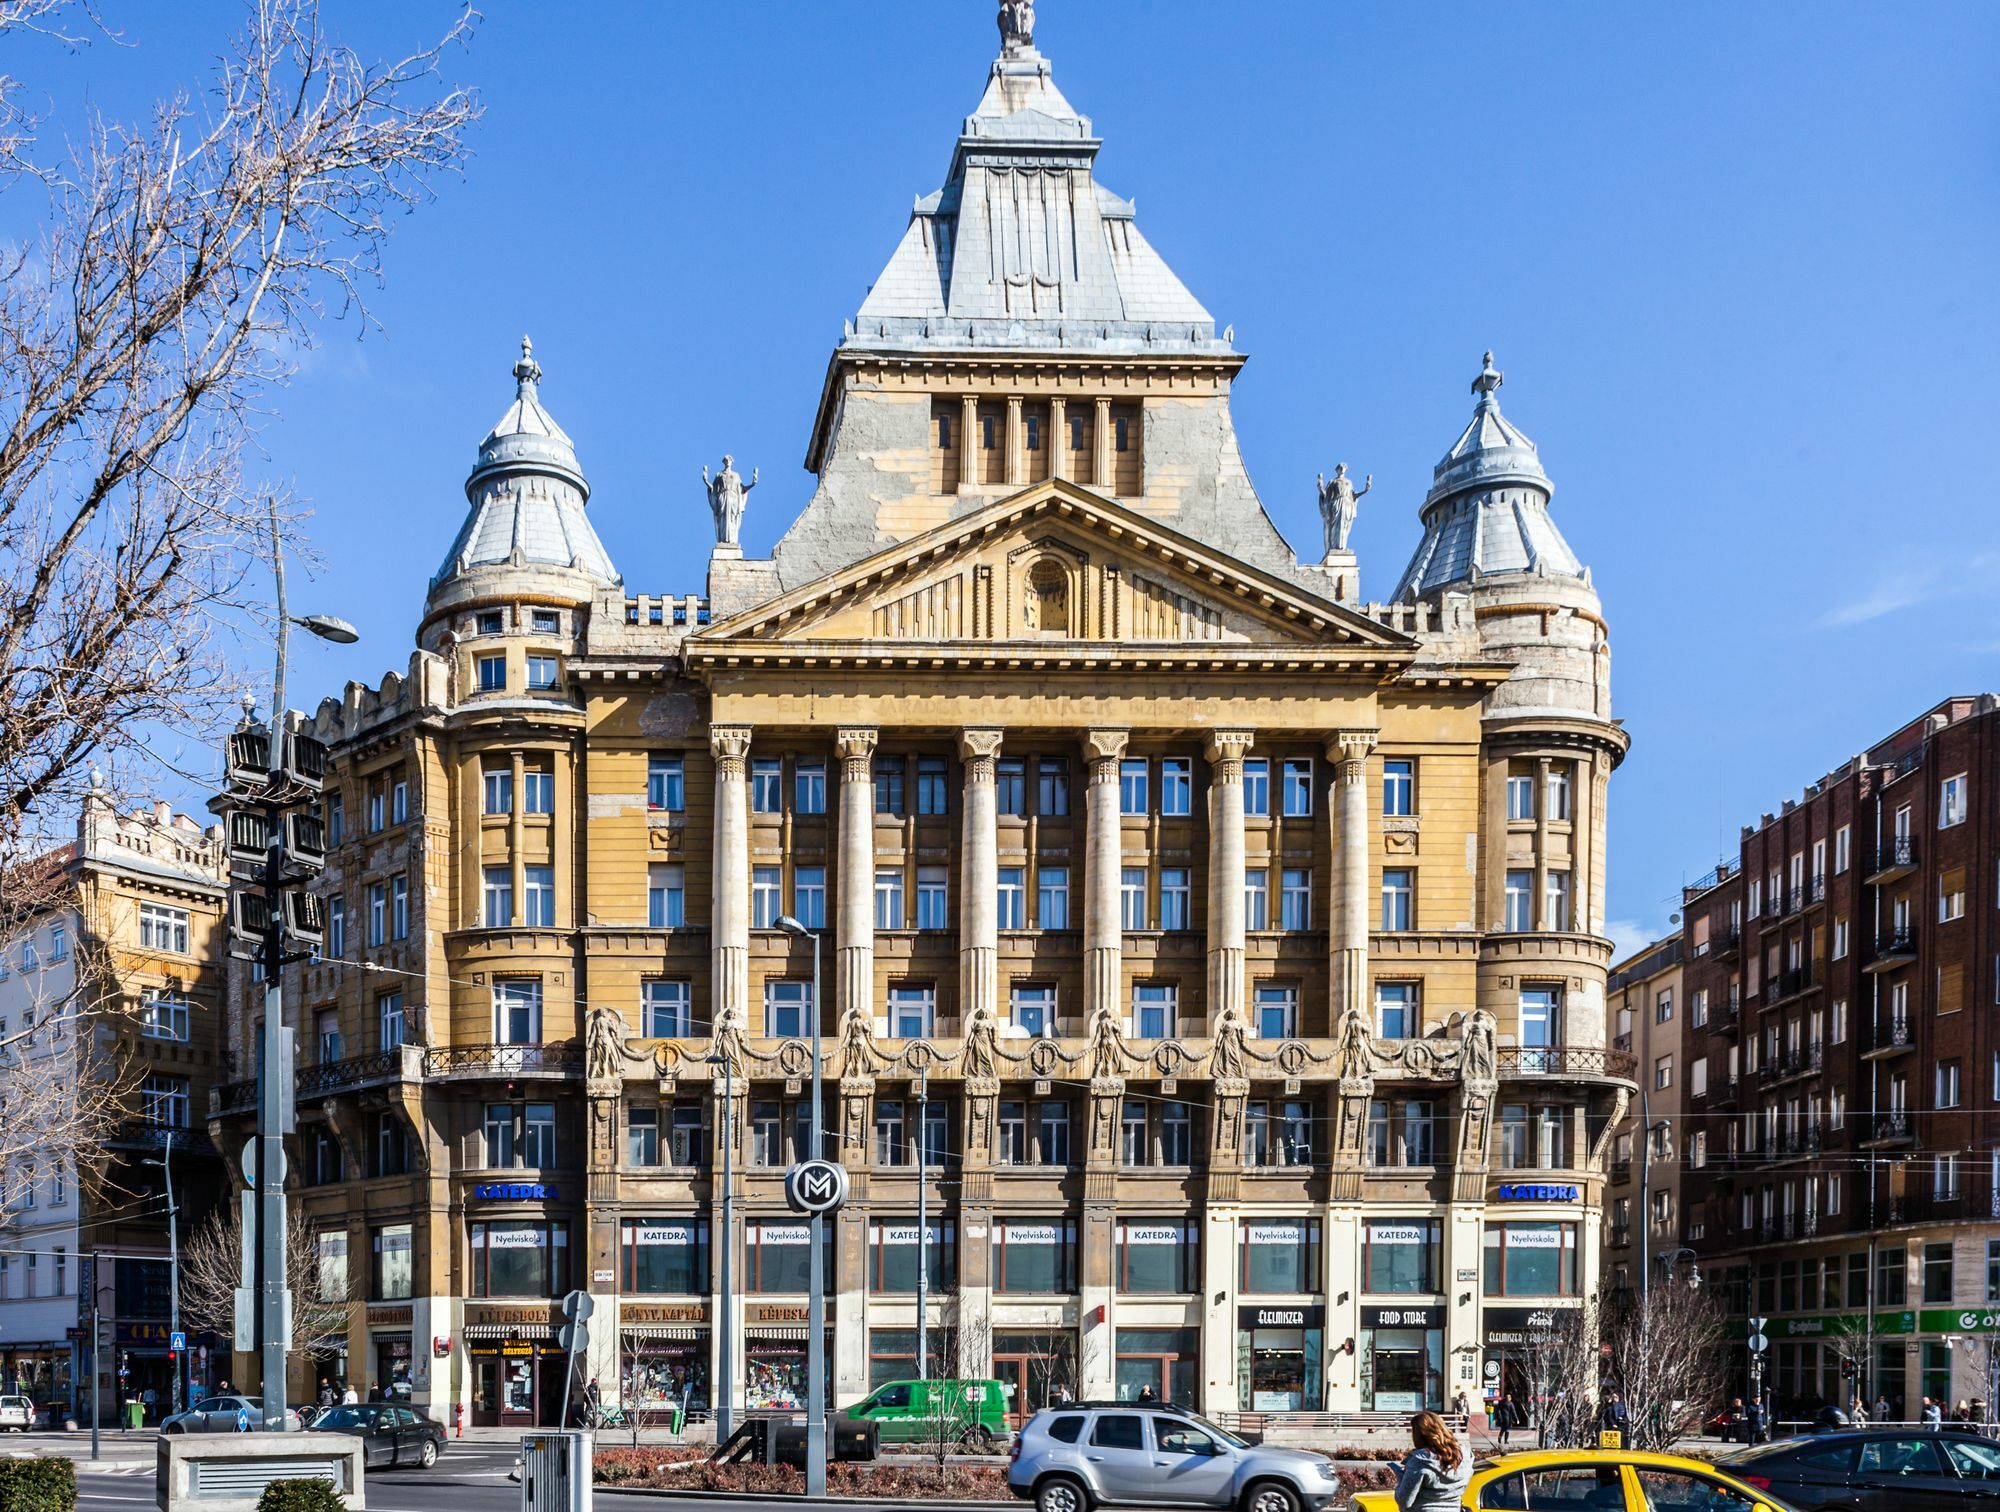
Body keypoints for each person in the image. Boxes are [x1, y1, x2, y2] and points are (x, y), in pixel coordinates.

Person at [1390, 1410, 1472, 1512]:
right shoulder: (1465, 1456)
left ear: (1420, 1436)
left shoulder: (1420, 1461)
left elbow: (1404, 1501)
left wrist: (1401, 1479)